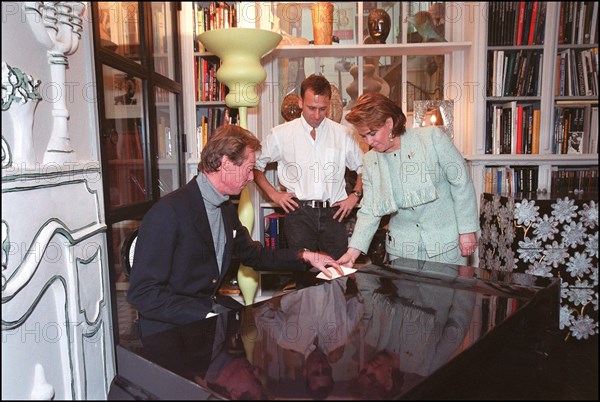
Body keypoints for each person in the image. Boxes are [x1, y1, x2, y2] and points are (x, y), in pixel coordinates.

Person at [127, 124, 342, 338]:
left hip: (203, 318)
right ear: (226, 163)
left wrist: (305, 255)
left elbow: (255, 256)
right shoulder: (168, 212)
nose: (251, 178)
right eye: (249, 169)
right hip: (171, 332)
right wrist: (206, 314)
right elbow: (143, 294)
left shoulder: (225, 209)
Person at [338, 93, 479, 267]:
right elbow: (369, 210)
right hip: (402, 251)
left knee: (449, 294)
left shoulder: (431, 139)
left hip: (447, 245)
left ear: (389, 123)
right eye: (364, 136)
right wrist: (352, 253)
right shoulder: (370, 161)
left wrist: (467, 230)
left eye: (372, 133)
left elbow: (461, 182)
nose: (369, 141)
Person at [254, 74, 364, 269]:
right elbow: (255, 165)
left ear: (329, 103)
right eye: (311, 108)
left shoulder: (343, 134)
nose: (316, 115)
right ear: (300, 102)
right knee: (304, 275)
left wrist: (355, 195)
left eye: (322, 109)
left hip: (334, 214)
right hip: (298, 215)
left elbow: (365, 168)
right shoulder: (281, 134)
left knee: (339, 273)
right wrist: (274, 195)